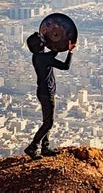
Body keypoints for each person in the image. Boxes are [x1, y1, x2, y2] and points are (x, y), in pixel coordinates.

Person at [24, 32, 76, 160]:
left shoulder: (37, 57)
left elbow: (53, 53)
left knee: (46, 121)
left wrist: (57, 42)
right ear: (41, 44)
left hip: (42, 92)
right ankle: (33, 147)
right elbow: (65, 66)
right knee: (49, 123)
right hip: (47, 93)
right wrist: (70, 52)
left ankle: (45, 147)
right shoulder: (44, 58)